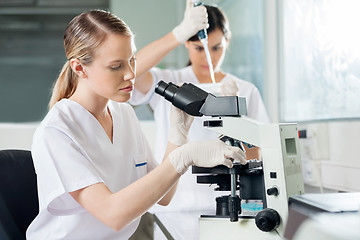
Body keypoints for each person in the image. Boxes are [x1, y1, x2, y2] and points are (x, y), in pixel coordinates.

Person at [25, 9, 246, 240]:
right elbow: (113, 214)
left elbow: (164, 195)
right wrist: (184, 157)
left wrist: (178, 137)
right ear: (79, 68)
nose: (131, 73)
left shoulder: (122, 114)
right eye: (116, 66)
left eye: (132, 60)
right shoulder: (57, 131)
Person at [130, 1, 270, 217]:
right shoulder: (170, 82)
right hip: (174, 207)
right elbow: (130, 71)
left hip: (230, 206)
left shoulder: (244, 90)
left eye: (216, 47)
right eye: (199, 48)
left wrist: (237, 120)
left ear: (227, 41)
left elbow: (256, 154)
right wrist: (178, 33)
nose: (208, 57)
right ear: (187, 44)